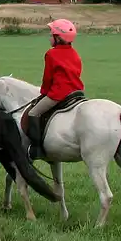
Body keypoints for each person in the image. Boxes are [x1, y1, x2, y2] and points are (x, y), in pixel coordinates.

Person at [26, 18, 84, 159]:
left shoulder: (51, 54)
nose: (49, 37)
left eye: (51, 34)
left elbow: (48, 78)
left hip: (59, 94)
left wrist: (44, 93)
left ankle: (36, 148)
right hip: (77, 92)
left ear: (58, 38)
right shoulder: (75, 53)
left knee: (33, 113)